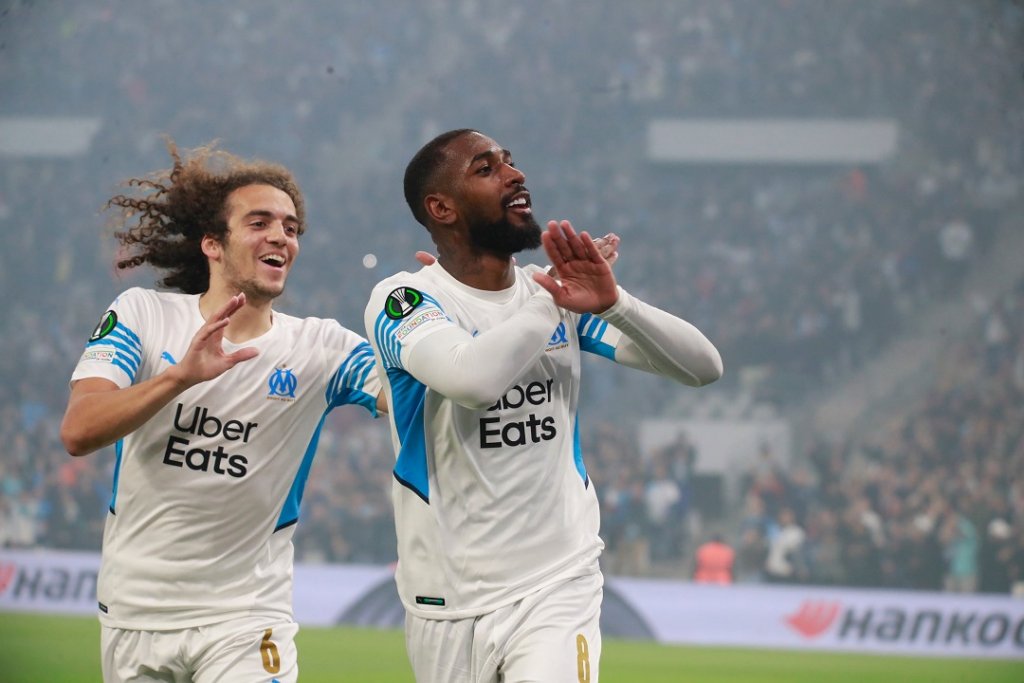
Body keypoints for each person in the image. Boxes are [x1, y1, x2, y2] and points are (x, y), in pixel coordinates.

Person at [364, 128, 723, 682]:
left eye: (510, 162)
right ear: (442, 208)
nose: (515, 174)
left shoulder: (553, 298)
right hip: (445, 597)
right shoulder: (406, 299)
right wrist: (551, 303)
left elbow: (703, 367)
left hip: (558, 579)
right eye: (485, 169)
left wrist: (615, 303)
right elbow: (471, 378)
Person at [60, 141, 385, 683]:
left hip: (247, 618)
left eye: (291, 226)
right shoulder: (144, 315)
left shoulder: (323, 349)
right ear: (213, 243)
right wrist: (178, 377)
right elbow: (78, 429)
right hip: (135, 612)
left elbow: (421, 396)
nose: (281, 235)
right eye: (259, 222)